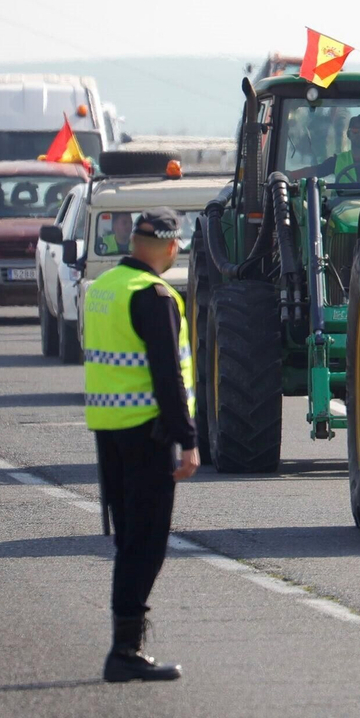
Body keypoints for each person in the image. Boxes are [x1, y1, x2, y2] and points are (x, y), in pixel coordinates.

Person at [82, 207, 199, 683]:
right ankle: (124, 650)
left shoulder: (104, 289)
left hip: (108, 430)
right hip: (148, 433)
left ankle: (124, 646)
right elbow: (167, 376)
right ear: (171, 247)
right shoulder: (155, 295)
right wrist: (188, 440)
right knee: (145, 546)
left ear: (134, 242)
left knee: (129, 540)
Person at [288, 114, 360, 183]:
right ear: (348, 134)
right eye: (355, 131)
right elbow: (314, 171)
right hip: (341, 205)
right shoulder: (337, 161)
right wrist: (288, 175)